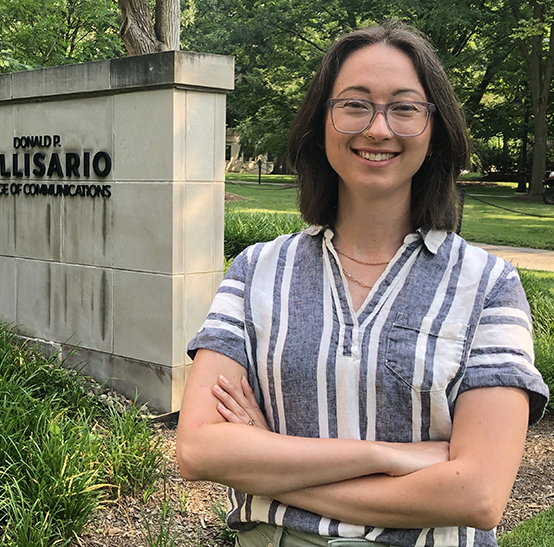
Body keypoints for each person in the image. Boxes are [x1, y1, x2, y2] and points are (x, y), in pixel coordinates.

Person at [176, 21, 549, 547]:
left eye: (404, 107)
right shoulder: (257, 270)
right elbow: (198, 450)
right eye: (354, 104)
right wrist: (386, 456)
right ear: (321, 122)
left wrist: (269, 461)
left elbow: (478, 495)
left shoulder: (488, 285)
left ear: (434, 129)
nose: (378, 128)